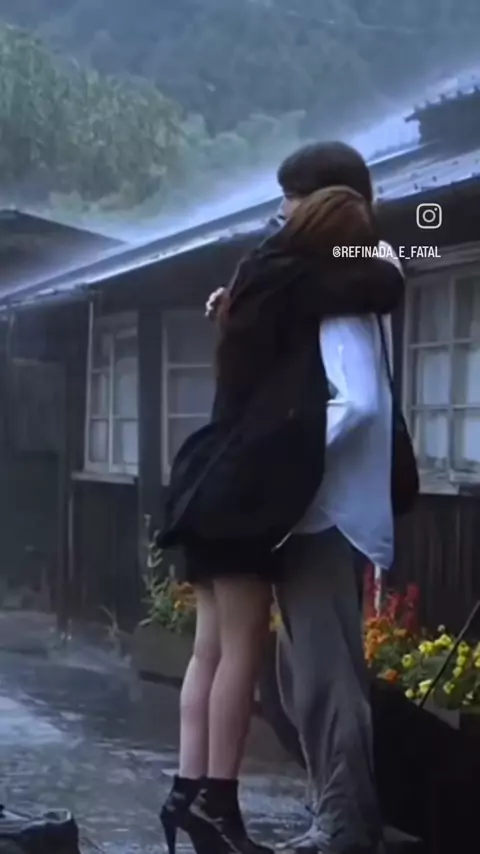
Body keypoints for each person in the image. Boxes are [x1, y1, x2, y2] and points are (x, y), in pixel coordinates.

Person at [158, 143, 405, 854]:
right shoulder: (326, 277)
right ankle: (326, 809)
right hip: (302, 506)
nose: (283, 212)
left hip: (321, 508)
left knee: (325, 677)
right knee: (302, 676)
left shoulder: (344, 285)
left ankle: (344, 825)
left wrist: (276, 465)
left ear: (329, 202)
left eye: (294, 198)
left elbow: (357, 403)